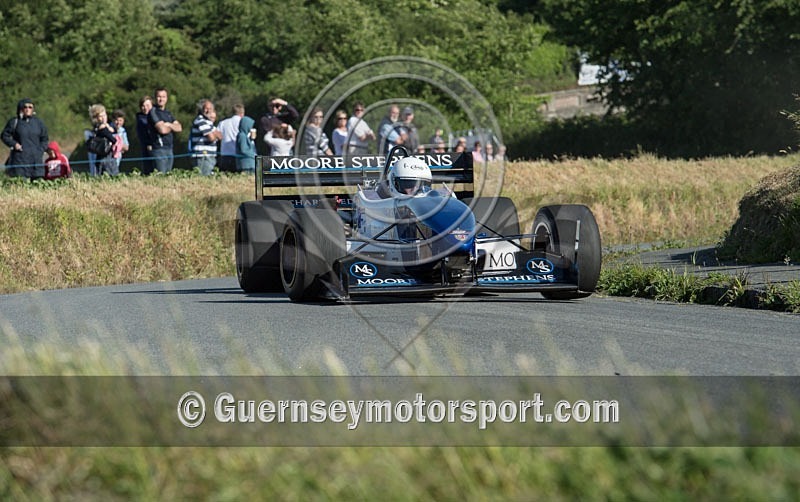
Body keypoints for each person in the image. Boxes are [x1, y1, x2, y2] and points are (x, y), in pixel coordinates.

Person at [2, 98, 49, 179]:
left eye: (30, 107)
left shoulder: (39, 123)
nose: (28, 109)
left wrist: (40, 150)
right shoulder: (14, 122)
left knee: (37, 186)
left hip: (35, 161)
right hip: (20, 161)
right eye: (25, 107)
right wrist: (14, 144)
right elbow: (4, 136)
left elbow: (45, 139)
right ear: (21, 108)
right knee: (21, 185)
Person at [148, 87, 182, 173]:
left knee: (168, 177)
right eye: (159, 96)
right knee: (160, 177)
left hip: (169, 149)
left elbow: (179, 128)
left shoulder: (168, 113)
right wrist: (171, 126)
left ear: (166, 98)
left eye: (163, 97)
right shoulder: (153, 112)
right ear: (155, 98)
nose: (161, 99)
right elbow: (162, 130)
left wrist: (168, 125)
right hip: (159, 150)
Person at [190, 99, 222, 175]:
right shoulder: (200, 120)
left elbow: (220, 136)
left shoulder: (208, 122)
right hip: (202, 156)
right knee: (203, 178)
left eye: (210, 109)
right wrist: (214, 135)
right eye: (206, 108)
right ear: (202, 109)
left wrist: (214, 134)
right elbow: (211, 138)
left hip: (209, 156)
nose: (208, 111)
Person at [88, 104, 119, 176]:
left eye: (104, 115)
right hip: (106, 157)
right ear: (97, 118)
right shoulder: (102, 128)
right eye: (101, 116)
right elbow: (113, 139)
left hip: (102, 157)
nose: (104, 118)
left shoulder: (99, 127)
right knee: (111, 176)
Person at [218, 104, 244, 172]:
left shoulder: (223, 123)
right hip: (238, 155)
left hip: (225, 154)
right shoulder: (243, 123)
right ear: (242, 113)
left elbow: (218, 136)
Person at [135, 95, 155, 174]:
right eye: (143, 106)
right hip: (147, 147)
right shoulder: (141, 119)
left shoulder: (156, 116)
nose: (145, 108)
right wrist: (148, 144)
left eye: (147, 105)